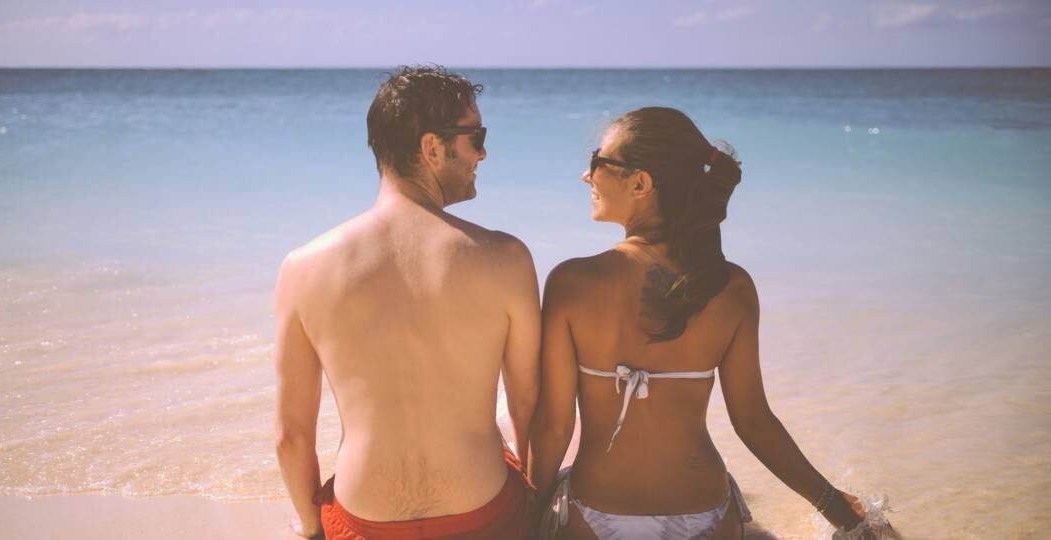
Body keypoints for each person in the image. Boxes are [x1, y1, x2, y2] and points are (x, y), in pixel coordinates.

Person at [528, 107, 868, 538]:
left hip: (595, 514)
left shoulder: (572, 282)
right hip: (705, 515)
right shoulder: (730, 287)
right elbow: (754, 422)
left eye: (598, 162)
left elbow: (554, 427)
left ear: (640, 183)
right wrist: (834, 506)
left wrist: (525, 518)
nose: (586, 176)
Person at [274, 65, 541, 539]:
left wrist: (315, 531)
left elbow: (290, 437)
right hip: (485, 515)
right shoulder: (506, 258)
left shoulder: (302, 267)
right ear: (431, 148)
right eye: (476, 137)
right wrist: (538, 512)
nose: (483, 153)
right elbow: (527, 407)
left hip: (364, 521)